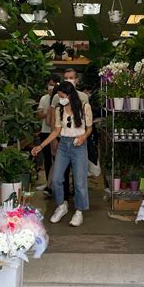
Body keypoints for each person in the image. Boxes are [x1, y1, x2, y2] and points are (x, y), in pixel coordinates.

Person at [32, 81, 92, 227]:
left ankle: (79, 211)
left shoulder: (85, 107)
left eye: (61, 96)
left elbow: (89, 128)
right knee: (57, 179)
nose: (60, 98)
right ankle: (61, 206)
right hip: (64, 145)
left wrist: (83, 137)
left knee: (79, 182)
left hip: (79, 145)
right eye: (59, 96)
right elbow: (56, 131)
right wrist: (41, 146)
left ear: (70, 94)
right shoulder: (59, 110)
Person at [50, 69, 88, 200]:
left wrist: (84, 136)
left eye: (71, 77)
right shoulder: (57, 97)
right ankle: (63, 201)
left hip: (78, 141)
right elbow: (54, 119)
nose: (69, 80)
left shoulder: (83, 98)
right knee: (59, 176)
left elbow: (87, 124)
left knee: (79, 178)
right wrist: (53, 140)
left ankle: (78, 205)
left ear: (76, 80)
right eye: (66, 78)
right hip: (62, 140)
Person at [36, 74, 60, 193]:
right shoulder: (44, 98)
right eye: (49, 84)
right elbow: (39, 115)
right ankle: (48, 183)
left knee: (58, 160)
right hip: (45, 132)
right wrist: (49, 112)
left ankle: (54, 184)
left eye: (53, 84)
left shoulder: (60, 98)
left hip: (56, 133)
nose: (51, 87)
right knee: (47, 159)